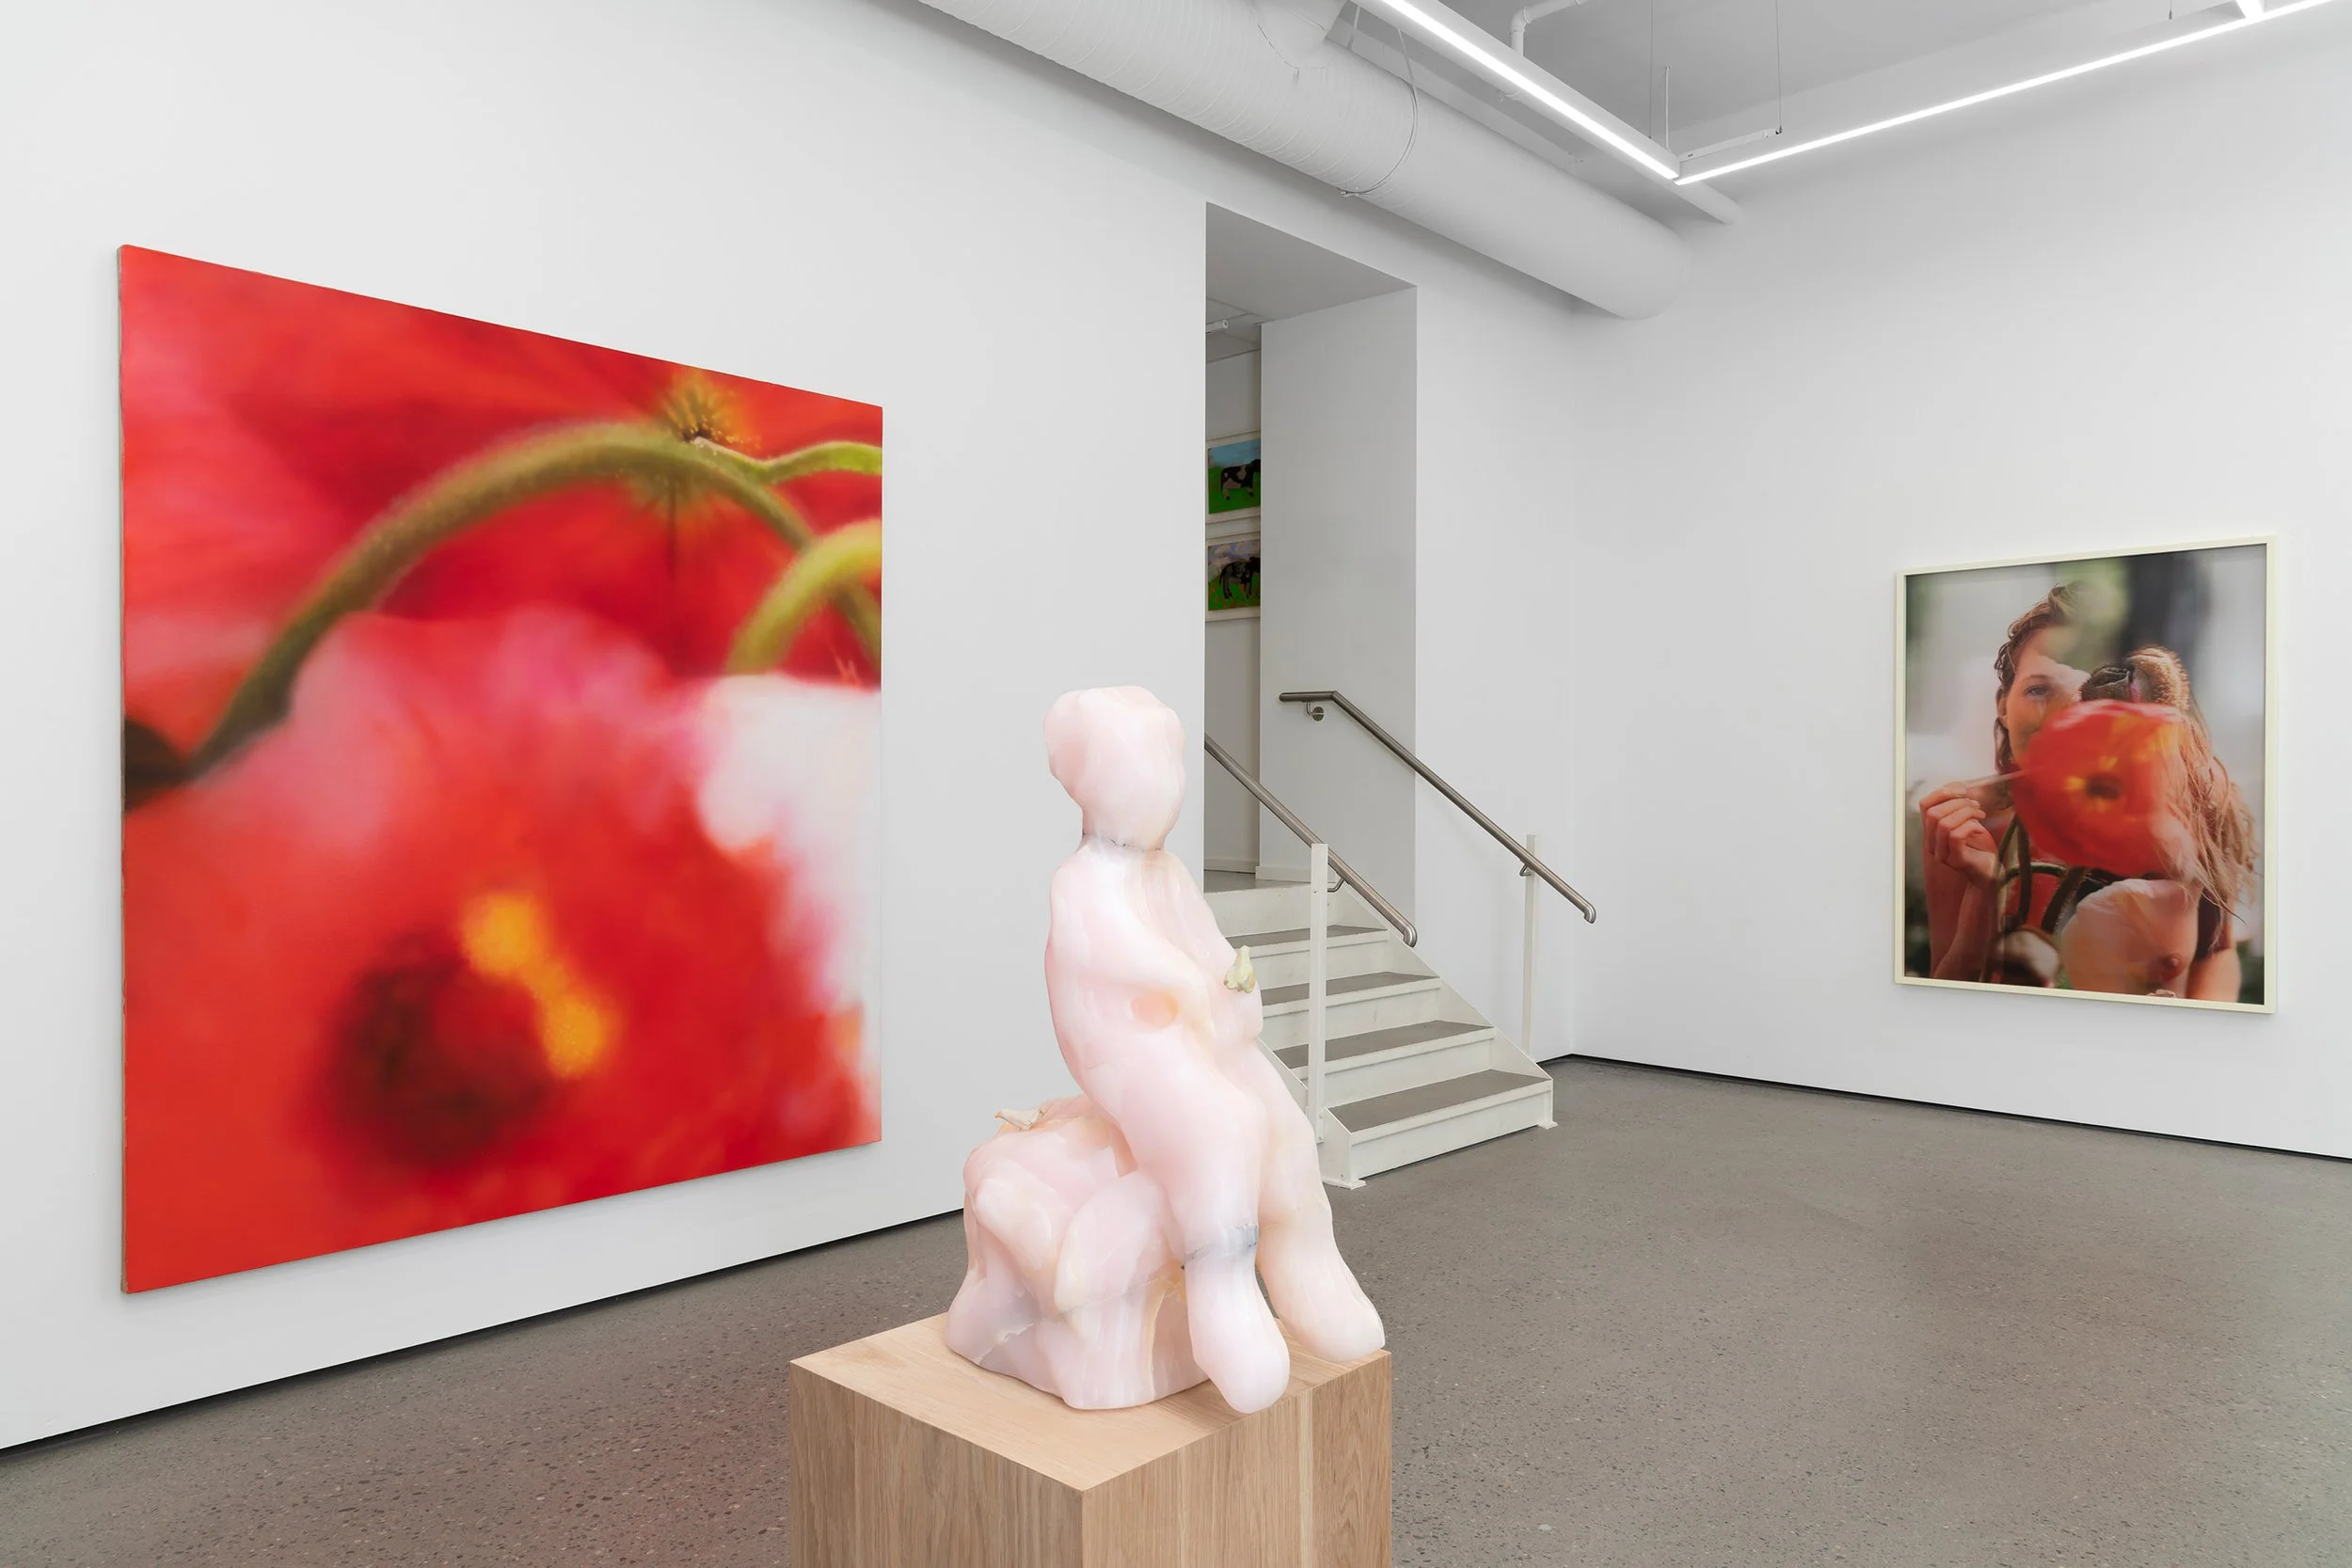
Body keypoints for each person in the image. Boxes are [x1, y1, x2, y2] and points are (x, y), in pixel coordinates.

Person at [1916, 585, 2089, 982]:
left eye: (2087, 695)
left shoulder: (2174, 815)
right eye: (2039, 690)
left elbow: (2211, 967)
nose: (2062, 717)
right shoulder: (1963, 824)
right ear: (2003, 706)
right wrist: (1984, 890)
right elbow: (1947, 990)